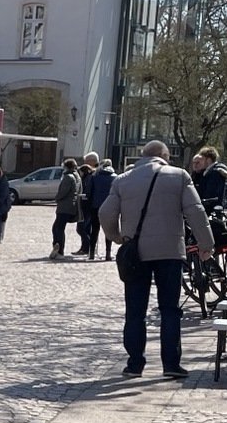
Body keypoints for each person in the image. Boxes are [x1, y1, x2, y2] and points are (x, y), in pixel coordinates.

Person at [99, 140, 213, 379]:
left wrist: (117, 236)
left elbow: (105, 212)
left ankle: (134, 364)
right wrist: (206, 244)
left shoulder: (122, 180)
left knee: (135, 311)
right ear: (165, 156)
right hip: (170, 251)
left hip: (136, 252)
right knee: (170, 309)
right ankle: (171, 364)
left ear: (142, 156)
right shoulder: (179, 176)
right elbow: (196, 211)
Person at [51, 158, 83, 260]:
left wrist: (57, 198)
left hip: (64, 207)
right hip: (72, 207)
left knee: (58, 228)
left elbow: (63, 192)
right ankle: (58, 247)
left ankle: (59, 250)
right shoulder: (77, 176)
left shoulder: (68, 177)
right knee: (58, 227)